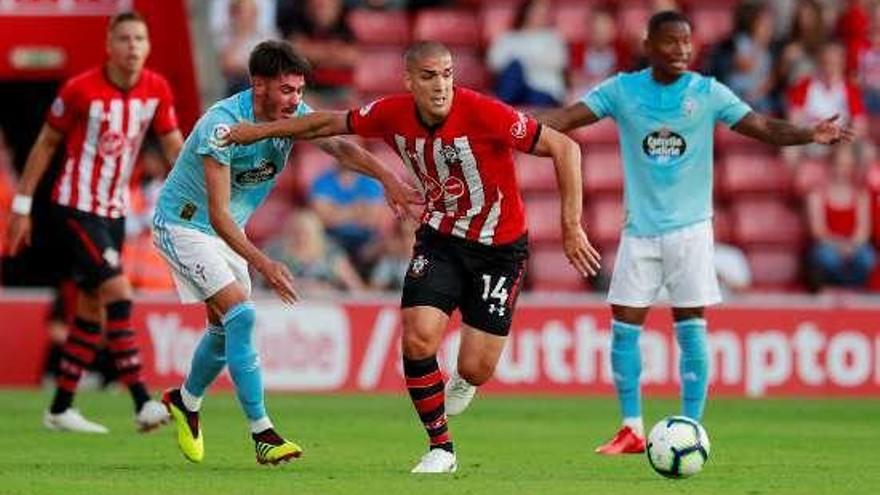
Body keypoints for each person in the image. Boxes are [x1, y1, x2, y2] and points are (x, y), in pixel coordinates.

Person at [225, 40, 601, 473]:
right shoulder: (390, 112)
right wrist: (257, 131)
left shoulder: (484, 112)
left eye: (447, 75)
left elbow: (566, 148)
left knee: (477, 368)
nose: (440, 86)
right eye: (428, 76)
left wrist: (571, 225)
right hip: (440, 238)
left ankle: (466, 379)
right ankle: (441, 446)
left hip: (499, 251)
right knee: (418, 335)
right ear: (409, 81)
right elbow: (322, 124)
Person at [538, 10, 853, 455]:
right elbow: (567, 118)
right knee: (625, 327)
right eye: (671, 42)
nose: (682, 50)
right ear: (649, 46)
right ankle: (630, 428)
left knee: (691, 326)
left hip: (690, 231)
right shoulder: (623, 90)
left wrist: (808, 134)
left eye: (687, 42)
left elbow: (761, 127)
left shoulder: (707, 93)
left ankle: (691, 426)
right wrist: (508, 129)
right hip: (639, 231)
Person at [152, 40, 418, 466]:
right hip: (184, 224)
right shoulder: (221, 126)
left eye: (299, 91)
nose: (296, 100)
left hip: (224, 232)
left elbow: (340, 145)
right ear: (259, 85)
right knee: (243, 315)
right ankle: (263, 433)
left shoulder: (293, 115)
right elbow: (218, 215)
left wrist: (387, 176)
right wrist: (265, 264)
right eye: (287, 90)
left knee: (224, 333)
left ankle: (185, 401)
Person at [5, 11, 184, 434]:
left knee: (92, 311)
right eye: (124, 39)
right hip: (75, 207)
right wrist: (23, 203)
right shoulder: (80, 89)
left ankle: (61, 407)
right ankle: (142, 401)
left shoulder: (156, 89)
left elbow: (174, 144)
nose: (133, 46)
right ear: (109, 45)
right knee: (118, 293)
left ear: (149, 45)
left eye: (140, 38)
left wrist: (203, 191)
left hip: (115, 212)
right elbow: (46, 143)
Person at [806, 144, 876, 288]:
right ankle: (834, 286)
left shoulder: (861, 194)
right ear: (830, 165)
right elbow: (818, 231)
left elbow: (863, 231)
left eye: (847, 165)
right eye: (838, 164)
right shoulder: (817, 193)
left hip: (853, 245)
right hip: (828, 244)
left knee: (867, 258)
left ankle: (851, 289)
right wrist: (838, 246)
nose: (842, 170)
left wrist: (851, 246)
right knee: (827, 257)